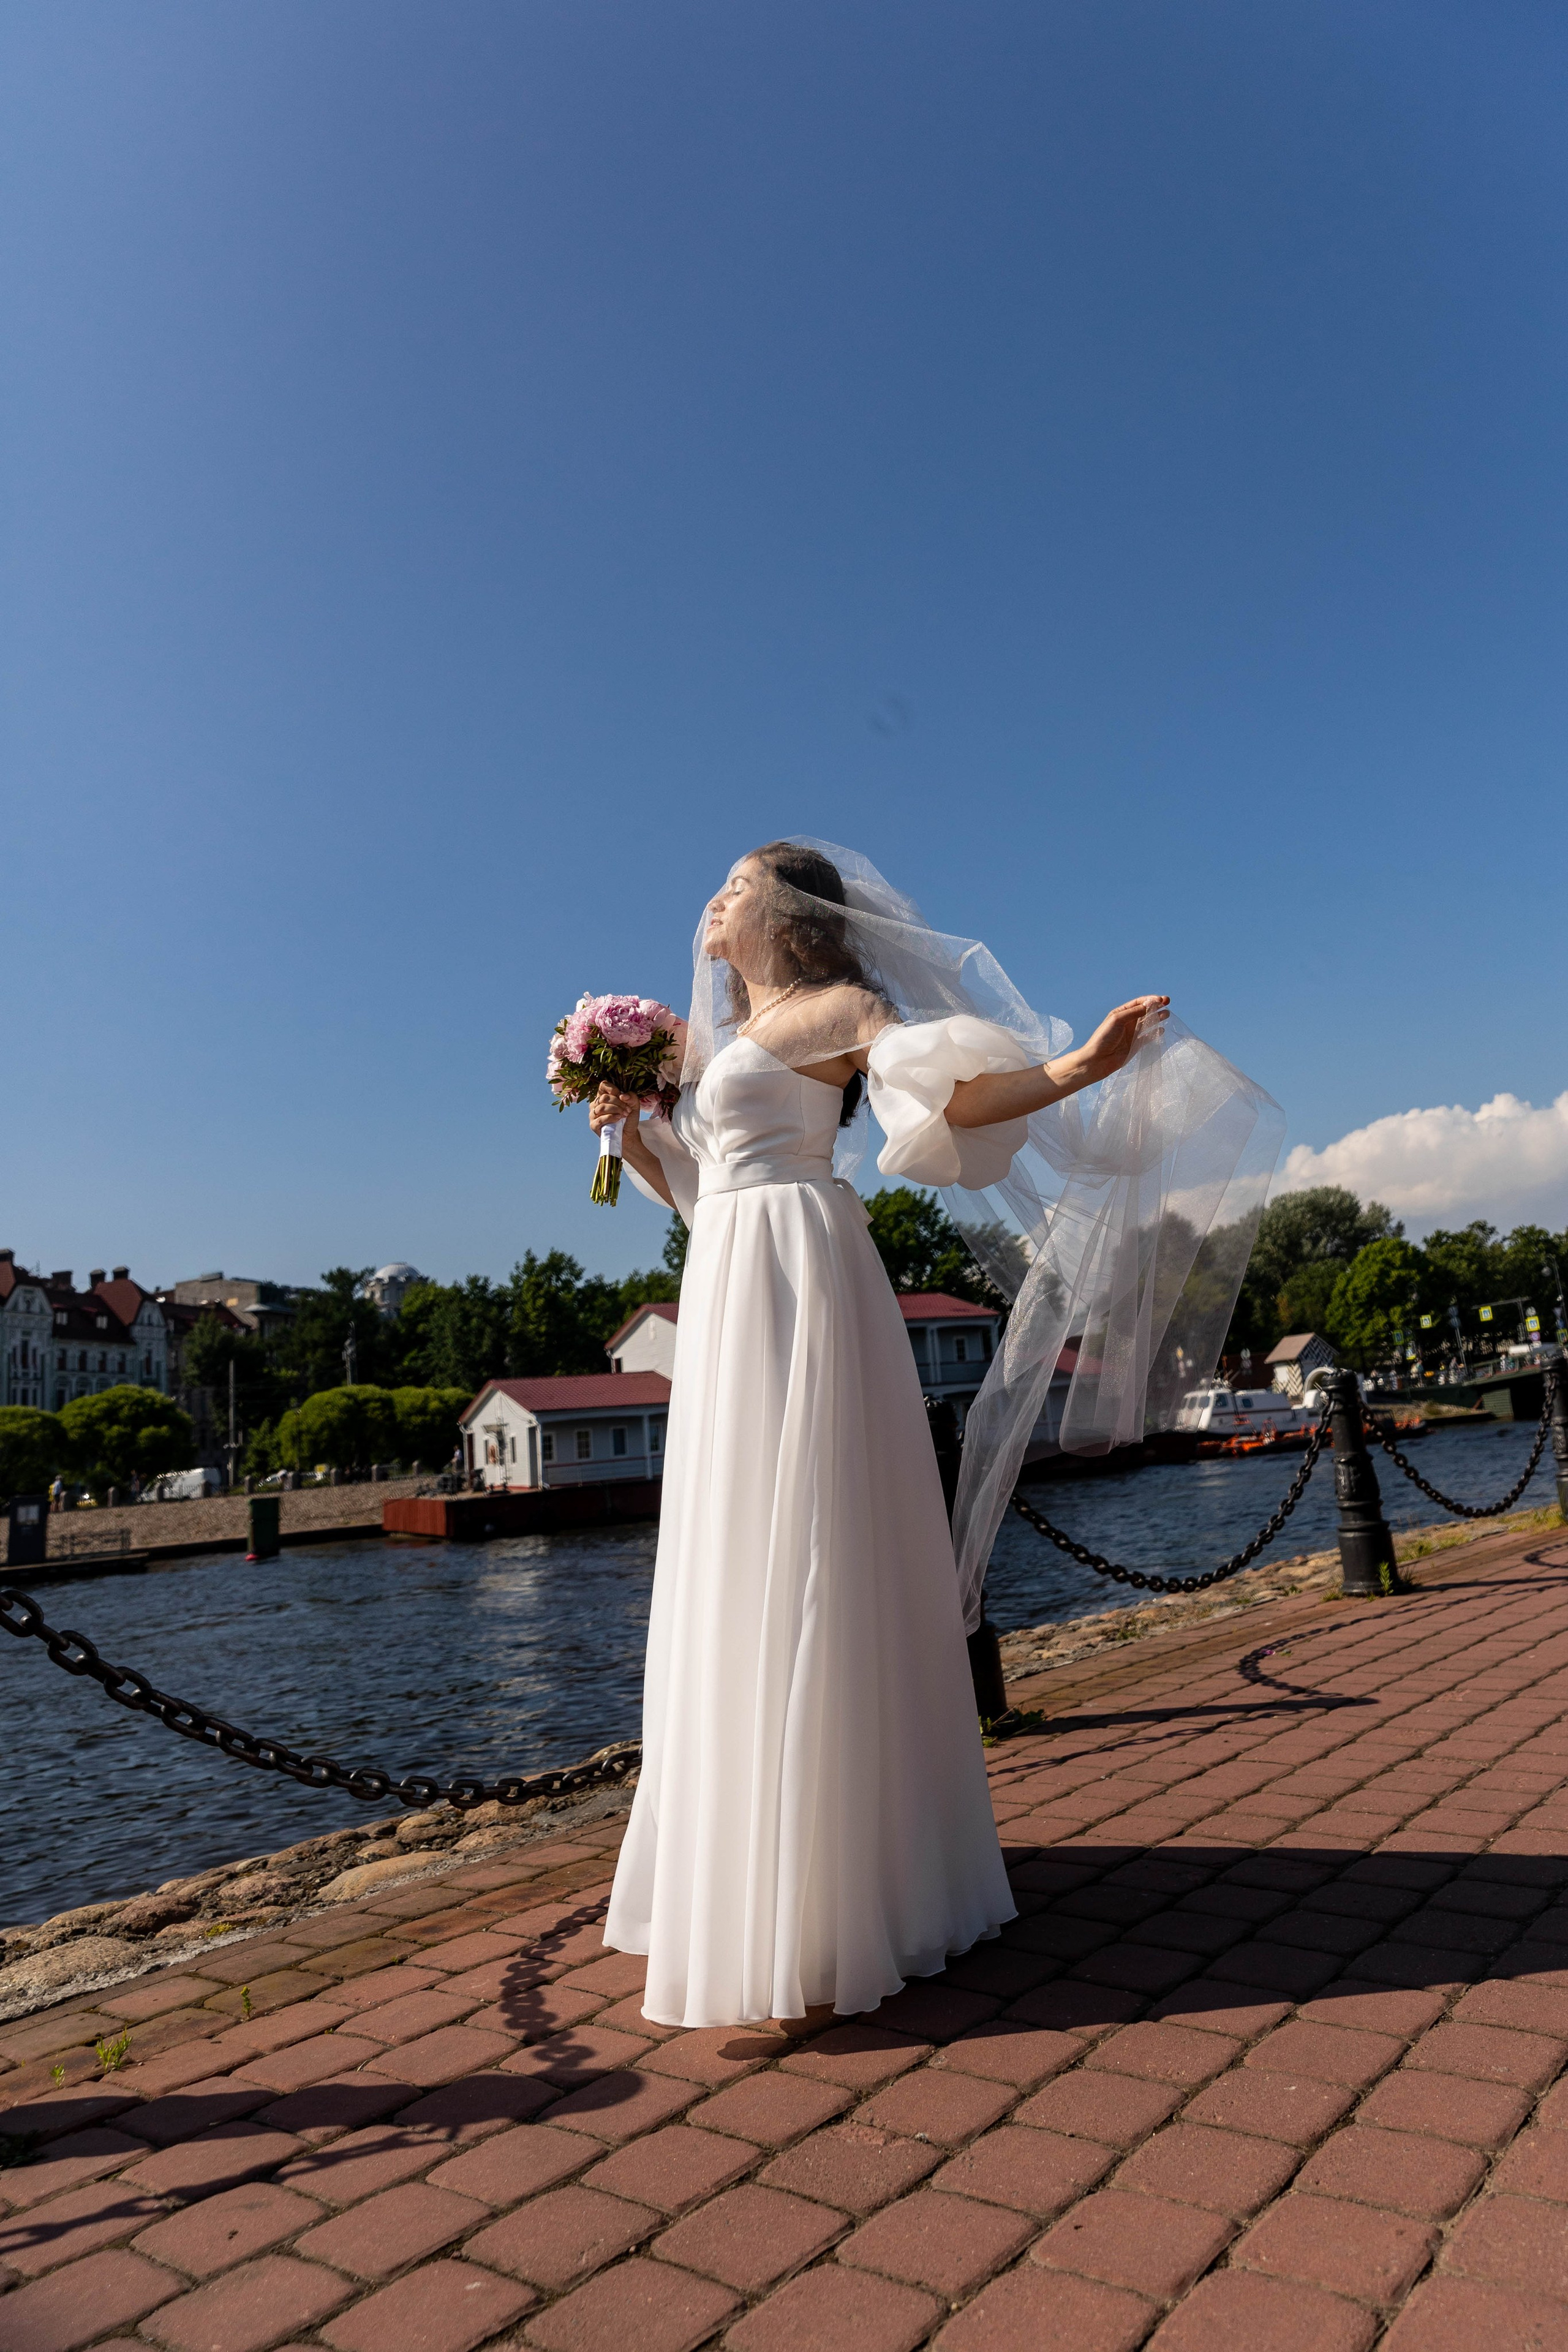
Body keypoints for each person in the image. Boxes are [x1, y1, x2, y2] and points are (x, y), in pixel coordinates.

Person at [593, 840, 1276, 2032]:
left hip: (803, 1276)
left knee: (809, 1547)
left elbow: (953, 1098)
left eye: (739, 885)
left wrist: (1073, 1069)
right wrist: (633, 1131)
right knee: (734, 1564)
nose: (715, 899)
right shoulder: (706, 1055)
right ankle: (747, 1887)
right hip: (726, 1284)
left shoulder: (836, 1010)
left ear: (793, 911)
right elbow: (703, 1196)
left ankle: (828, 1907)